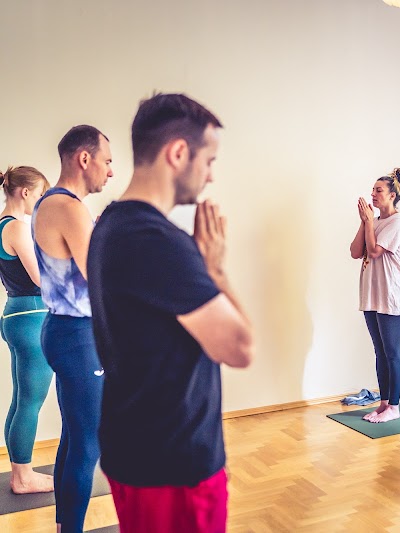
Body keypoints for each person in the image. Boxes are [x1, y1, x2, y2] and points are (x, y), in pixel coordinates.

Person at [87, 93, 253, 533]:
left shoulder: (110, 224)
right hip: (172, 465)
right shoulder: (156, 241)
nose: (211, 175)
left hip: (138, 449)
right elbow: (241, 348)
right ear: (178, 153)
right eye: (209, 160)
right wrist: (215, 268)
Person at [32, 125, 112, 533]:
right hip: (78, 336)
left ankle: (66, 526)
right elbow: (100, 278)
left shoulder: (51, 202)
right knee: (88, 445)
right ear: (85, 158)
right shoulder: (68, 207)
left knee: (74, 437)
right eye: (107, 161)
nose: (110, 171)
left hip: (63, 331)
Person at [0, 166, 52, 494]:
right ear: (25, 192)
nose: (42, 201)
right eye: (41, 194)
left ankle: (19, 471)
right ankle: (23, 477)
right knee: (31, 401)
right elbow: (41, 279)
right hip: (32, 317)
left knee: (21, 399)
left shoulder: (2, 225)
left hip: (15, 315)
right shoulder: (17, 228)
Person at [349, 168, 400, 423]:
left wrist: (369, 222)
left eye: (378, 190)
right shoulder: (373, 221)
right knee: (380, 352)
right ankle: (384, 404)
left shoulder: (398, 222)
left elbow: (373, 251)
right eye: (372, 190)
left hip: (391, 296)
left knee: (392, 352)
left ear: (392, 195)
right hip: (372, 295)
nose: (373, 194)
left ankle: (394, 406)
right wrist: (366, 222)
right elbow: (355, 251)